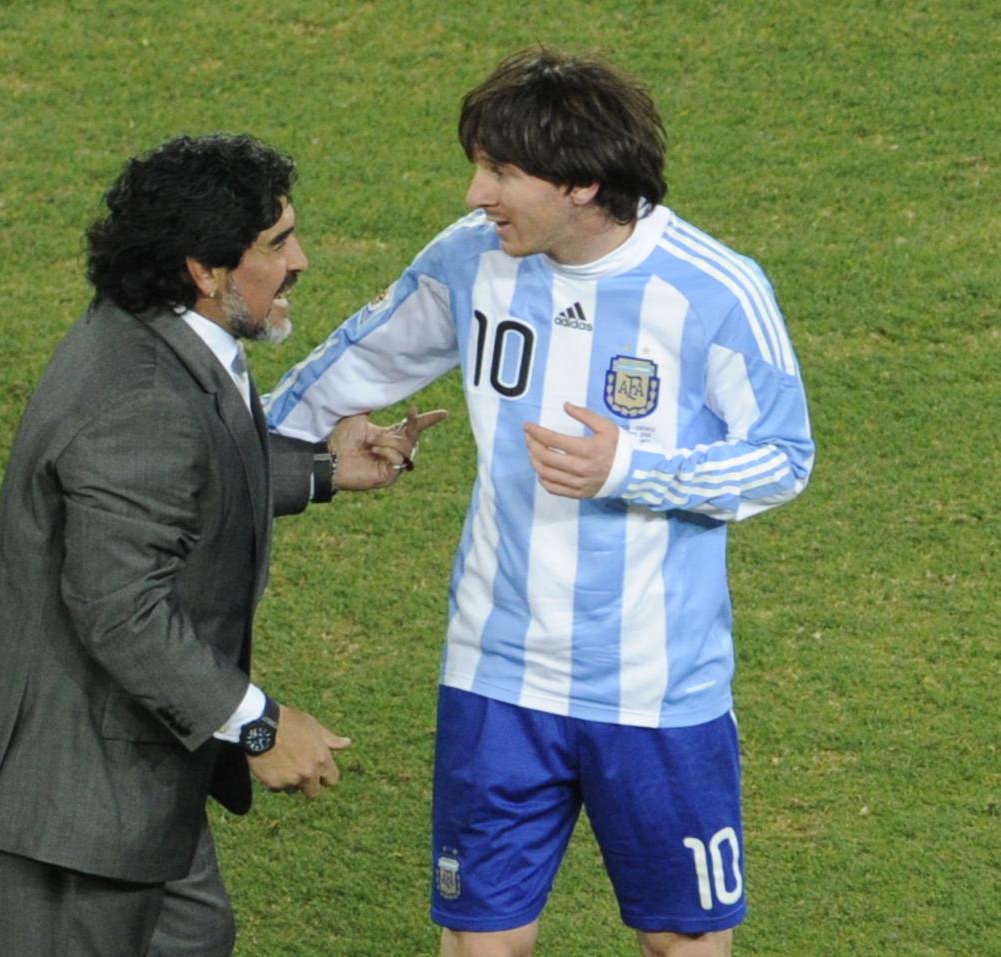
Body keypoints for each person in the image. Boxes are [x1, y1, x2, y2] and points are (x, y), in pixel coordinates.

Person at [264, 48, 815, 957]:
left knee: (682, 941)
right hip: (497, 673)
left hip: (656, 690)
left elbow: (782, 459)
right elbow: (348, 367)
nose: (477, 193)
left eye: (502, 172)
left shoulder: (714, 290)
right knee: (483, 942)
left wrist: (629, 470)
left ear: (584, 183)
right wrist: (242, 454)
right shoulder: (471, 258)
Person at [0, 133, 442, 957]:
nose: (300, 259)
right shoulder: (144, 395)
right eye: (275, 243)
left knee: (193, 935)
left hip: (133, 766)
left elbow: (195, 461)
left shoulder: (160, 334)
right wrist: (258, 725)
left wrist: (324, 470)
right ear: (205, 268)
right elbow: (122, 609)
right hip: (72, 791)